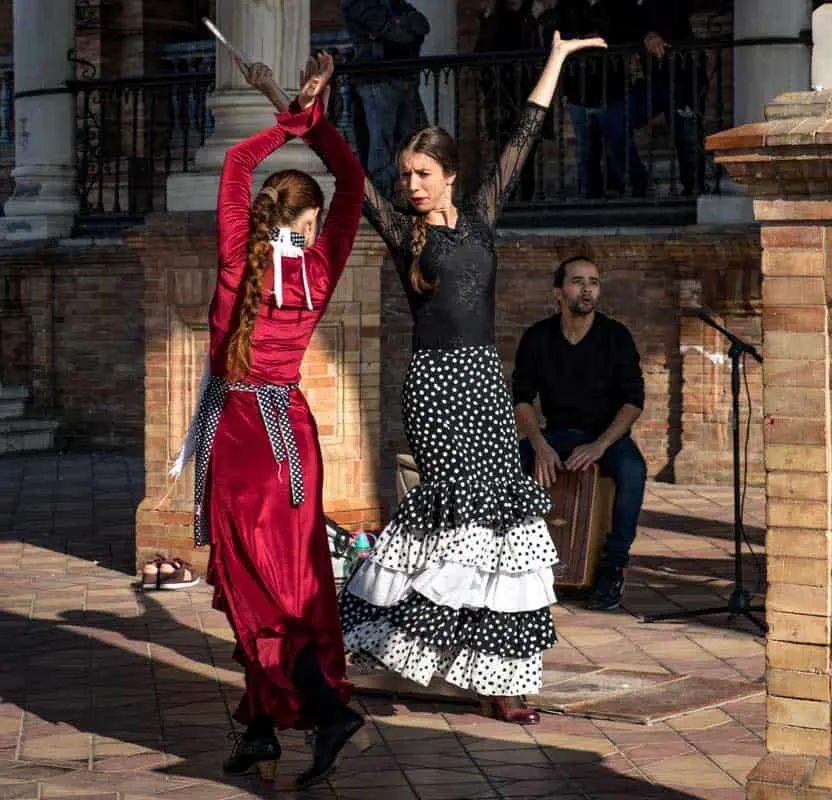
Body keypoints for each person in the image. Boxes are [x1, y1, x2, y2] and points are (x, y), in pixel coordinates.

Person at [247, 31, 608, 726]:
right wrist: (286, 99)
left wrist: (557, 60)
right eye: (405, 174)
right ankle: (361, 642)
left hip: (483, 385)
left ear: (449, 174)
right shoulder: (406, 235)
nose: (409, 185)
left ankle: (498, 678)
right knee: (453, 522)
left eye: (421, 174)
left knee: (503, 525)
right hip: (436, 389)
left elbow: (524, 136)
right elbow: (343, 165)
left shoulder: (481, 220)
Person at [174, 54, 369, 788]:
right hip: (287, 436)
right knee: (286, 585)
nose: (318, 230)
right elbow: (351, 178)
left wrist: (283, 120)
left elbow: (236, 161)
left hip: (244, 436)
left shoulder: (238, 253)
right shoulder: (318, 268)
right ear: (305, 223)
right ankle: (261, 730)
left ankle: (326, 712)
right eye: (313, 222)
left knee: (258, 589)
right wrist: (313, 120)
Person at [512, 256, 646, 611]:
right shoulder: (538, 337)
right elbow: (521, 400)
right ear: (558, 291)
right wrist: (539, 446)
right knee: (505, 465)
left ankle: (613, 566)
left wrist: (601, 445)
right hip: (555, 435)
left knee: (633, 470)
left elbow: (634, 402)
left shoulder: (616, 336)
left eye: (594, 282)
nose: (587, 289)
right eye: (577, 281)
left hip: (605, 438)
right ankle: (514, 562)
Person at [550, 0, 646, 198]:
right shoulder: (567, 6)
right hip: (579, 88)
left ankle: (634, 191)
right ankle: (590, 197)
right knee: (586, 152)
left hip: (612, 86)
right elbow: (556, 34)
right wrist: (581, 40)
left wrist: (603, 37)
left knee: (619, 146)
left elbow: (634, 30)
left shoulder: (618, 6)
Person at [340, 0, 431, 198]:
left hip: (403, 77)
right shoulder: (357, 3)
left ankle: (402, 196)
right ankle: (380, 203)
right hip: (376, 79)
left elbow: (423, 25)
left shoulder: (395, 3)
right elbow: (390, 31)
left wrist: (398, 24)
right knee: (382, 146)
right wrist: (400, 28)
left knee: (412, 140)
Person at [475, 0, 550, 202]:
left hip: (527, 93)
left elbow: (542, 54)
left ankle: (525, 200)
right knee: (504, 153)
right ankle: (507, 202)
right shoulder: (493, 21)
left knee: (527, 152)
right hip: (502, 96)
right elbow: (481, 56)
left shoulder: (533, 19)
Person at [635, 0, 708, 195]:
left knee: (687, 135)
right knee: (613, 122)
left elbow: (675, 14)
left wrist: (652, 32)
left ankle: (694, 189)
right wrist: (646, 34)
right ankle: (636, 183)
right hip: (654, 77)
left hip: (684, 73)